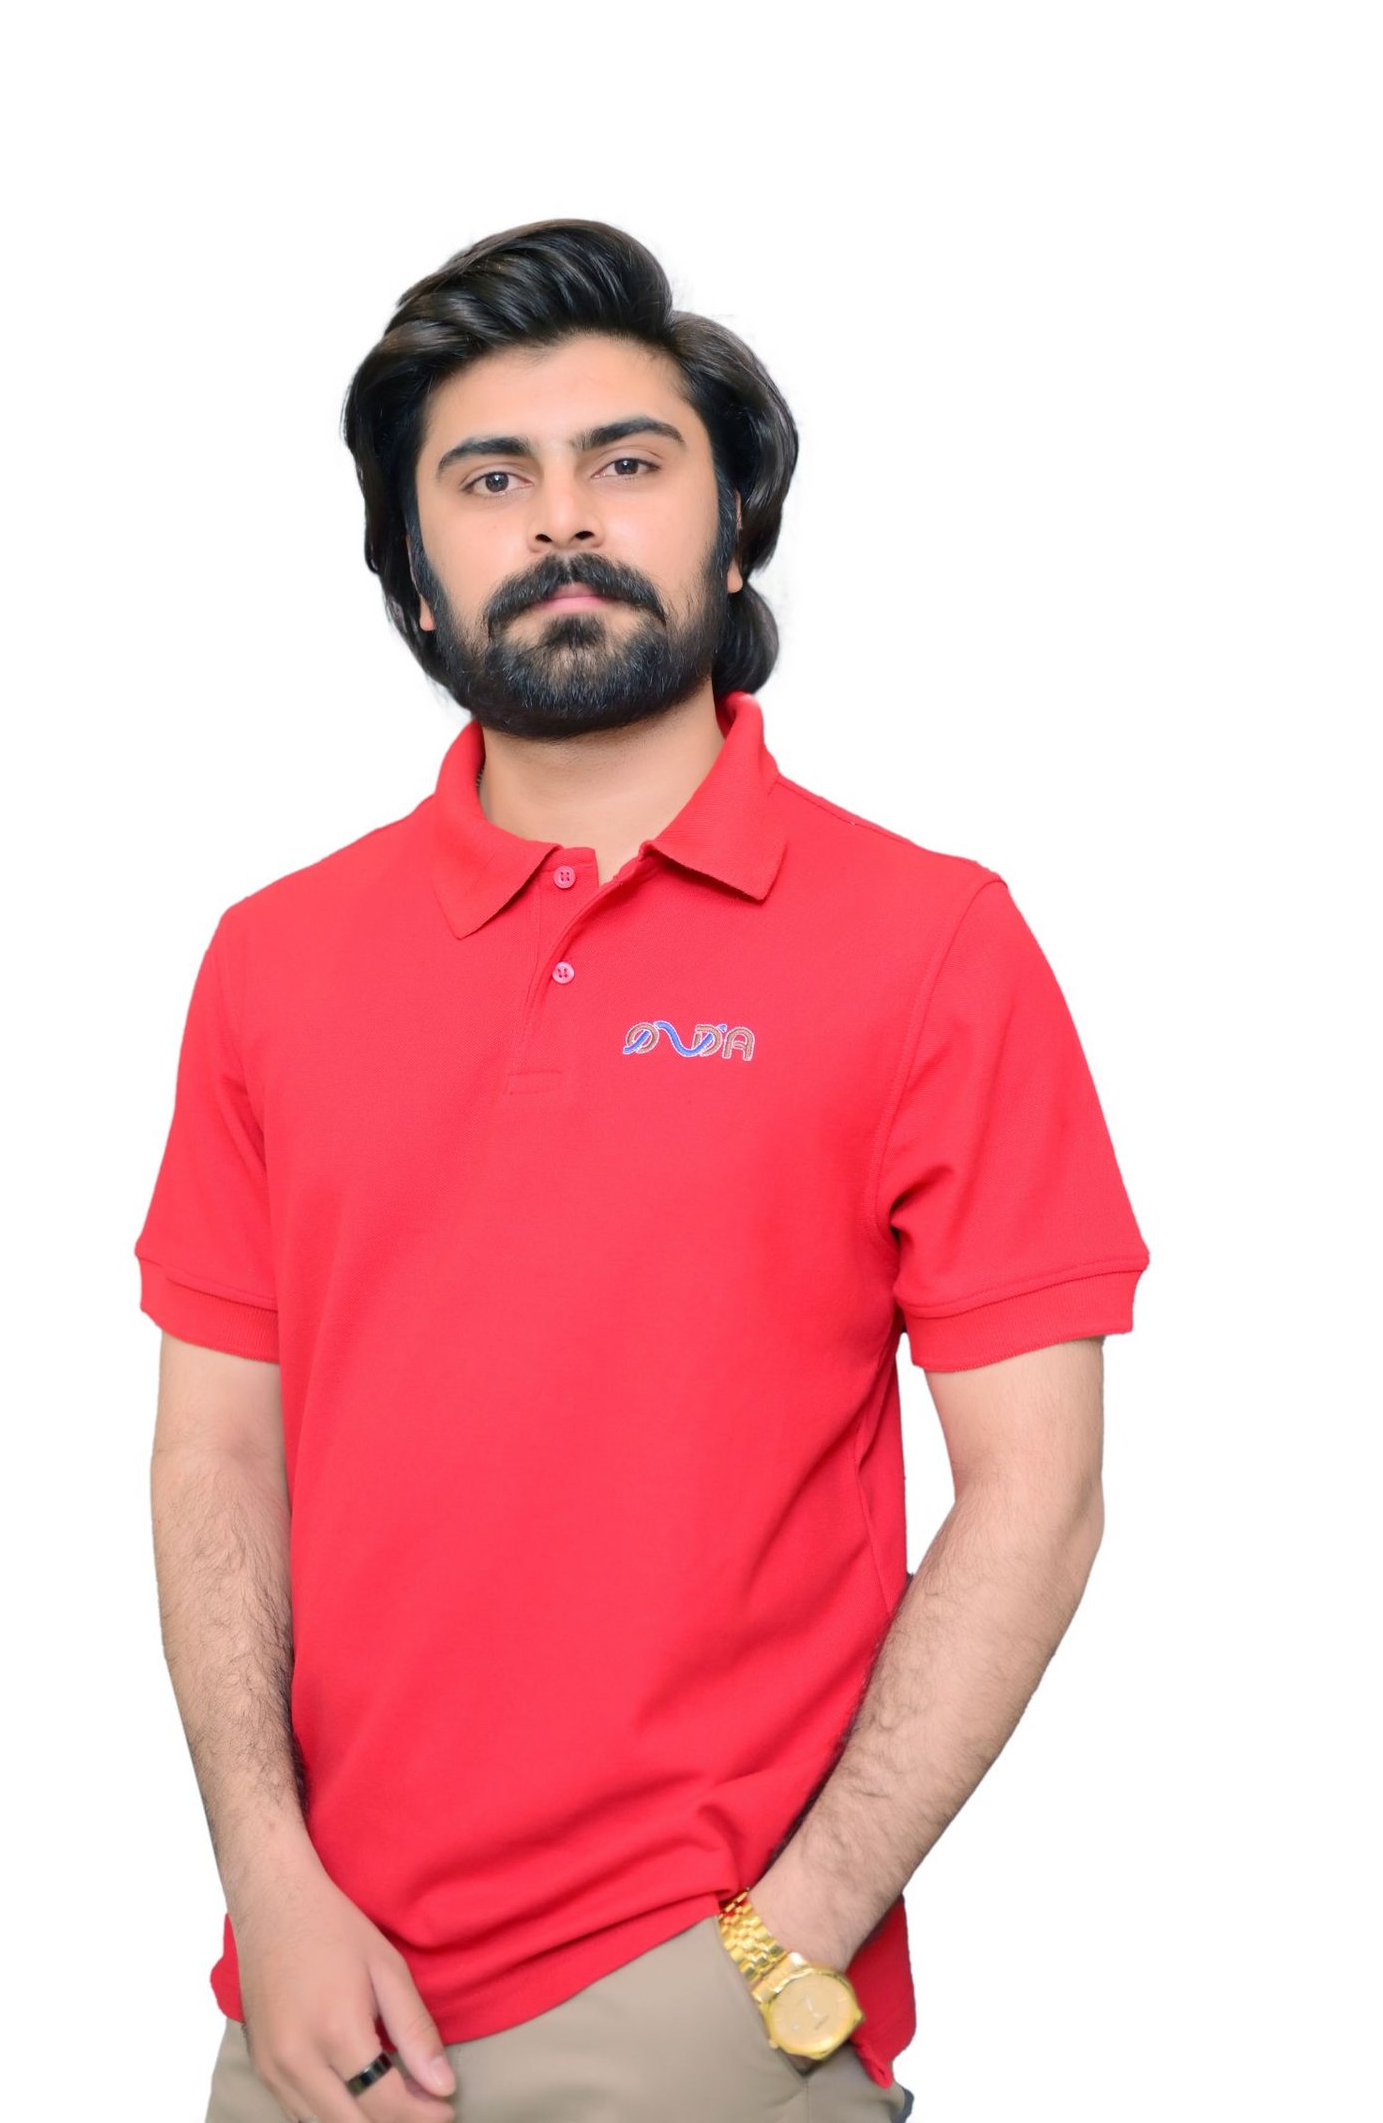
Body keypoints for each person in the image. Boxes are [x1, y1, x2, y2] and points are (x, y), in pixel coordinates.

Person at [137, 218, 1150, 2123]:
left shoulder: (932, 946)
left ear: (733, 529)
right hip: (318, 2008)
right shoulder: (274, 962)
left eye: (626, 461)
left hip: (711, 2011)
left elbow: (1043, 1493)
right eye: (488, 479)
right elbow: (215, 1459)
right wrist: (267, 1887)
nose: (561, 520)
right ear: (413, 572)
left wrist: (785, 1949)